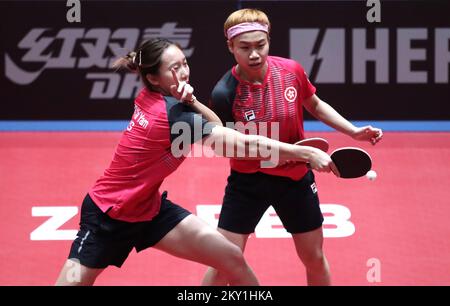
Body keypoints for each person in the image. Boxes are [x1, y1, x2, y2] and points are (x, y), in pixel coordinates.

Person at [55, 38, 335, 286]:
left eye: (184, 63)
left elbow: (217, 124)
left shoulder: (153, 98)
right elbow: (241, 142)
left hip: (149, 209)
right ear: (154, 78)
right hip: (109, 214)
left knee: (230, 257)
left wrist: (193, 101)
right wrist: (304, 154)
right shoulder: (170, 114)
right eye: (173, 69)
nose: (184, 72)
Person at [202, 8, 383, 286]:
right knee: (223, 262)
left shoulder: (290, 70)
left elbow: (315, 104)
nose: (254, 54)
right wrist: (286, 154)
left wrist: (353, 131)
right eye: (245, 47)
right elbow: (226, 146)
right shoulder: (225, 93)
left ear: (269, 41)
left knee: (313, 257)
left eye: (260, 45)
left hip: (296, 179)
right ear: (230, 47)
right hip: (248, 182)